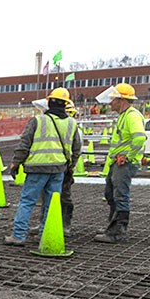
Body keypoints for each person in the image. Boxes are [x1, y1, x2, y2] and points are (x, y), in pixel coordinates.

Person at [4, 88, 79, 246]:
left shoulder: (37, 121)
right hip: (58, 169)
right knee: (51, 204)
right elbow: (76, 149)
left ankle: (18, 235)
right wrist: (70, 168)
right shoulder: (72, 123)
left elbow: (24, 145)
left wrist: (16, 163)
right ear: (66, 104)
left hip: (37, 169)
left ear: (50, 102)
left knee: (27, 202)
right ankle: (45, 234)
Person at [94, 83, 146, 243]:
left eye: (112, 99)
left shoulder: (132, 116)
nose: (110, 103)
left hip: (124, 164)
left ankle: (118, 232)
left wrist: (129, 156)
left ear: (121, 99)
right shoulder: (125, 115)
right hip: (118, 163)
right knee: (111, 194)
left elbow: (139, 137)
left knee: (120, 195)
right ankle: (113, 227)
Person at [58, 101, 82, 236]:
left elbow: (76, 149)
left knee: (65, 197)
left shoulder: (74, 128)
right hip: (57, 165)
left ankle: (65, 224)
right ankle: (45, 223)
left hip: (65, 167)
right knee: (49, 197)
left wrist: (71, 167)